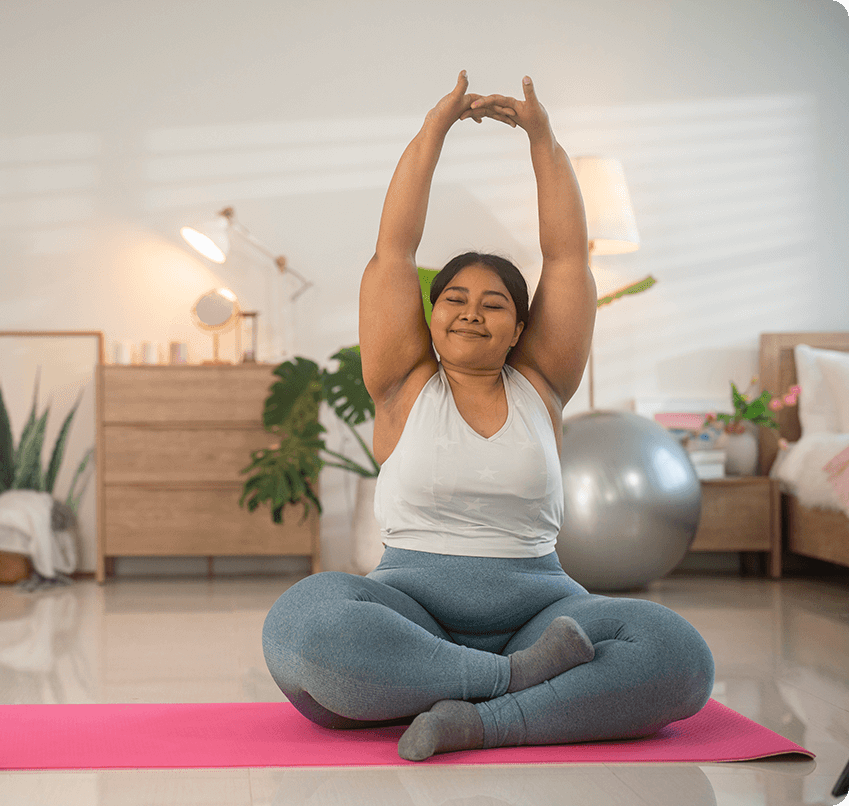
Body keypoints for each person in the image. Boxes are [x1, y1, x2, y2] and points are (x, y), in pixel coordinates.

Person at [261, 71, 715, 761]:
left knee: (678, 656)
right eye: (454, 298)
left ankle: (477, 720)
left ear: (518, 329)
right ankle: (513, 686)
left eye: (495, 302)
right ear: (431, 318)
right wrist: (434, 131)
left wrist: (542, 138)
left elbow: (567, 256)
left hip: (543, 614)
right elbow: (394, 251)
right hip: (410, 608)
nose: (471, 308)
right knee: (303, 629)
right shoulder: (402, 387)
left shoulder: (542, 384)